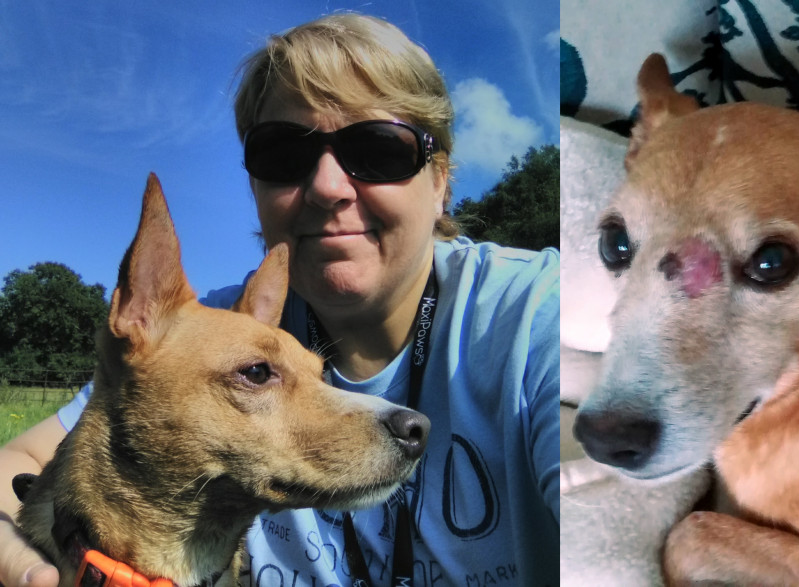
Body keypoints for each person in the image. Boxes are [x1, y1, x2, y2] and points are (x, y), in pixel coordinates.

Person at [0, 12, 559, 587]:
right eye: (285, 155)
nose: (327, 186)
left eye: (379, 149)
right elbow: (18, 461)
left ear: (441, 181)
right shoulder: (192, 330)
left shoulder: (542, 316)